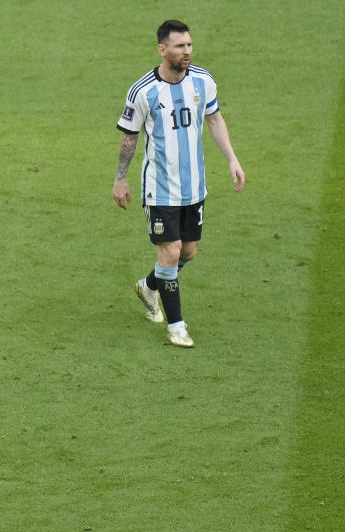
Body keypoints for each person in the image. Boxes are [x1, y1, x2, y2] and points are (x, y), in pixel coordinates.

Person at [112, 20, 245, 347]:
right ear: (162, 49)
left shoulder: (202, 81)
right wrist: (120, 179)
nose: (186, 51)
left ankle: (148, 286)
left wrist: (231, 158)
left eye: (189, 45)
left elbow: (213, 119)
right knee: (170, 252)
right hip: (160, 188)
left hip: (194, 187)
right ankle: (176, 327)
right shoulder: (143, 91)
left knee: (188, 252)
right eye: (179, 46)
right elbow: (130, 138)